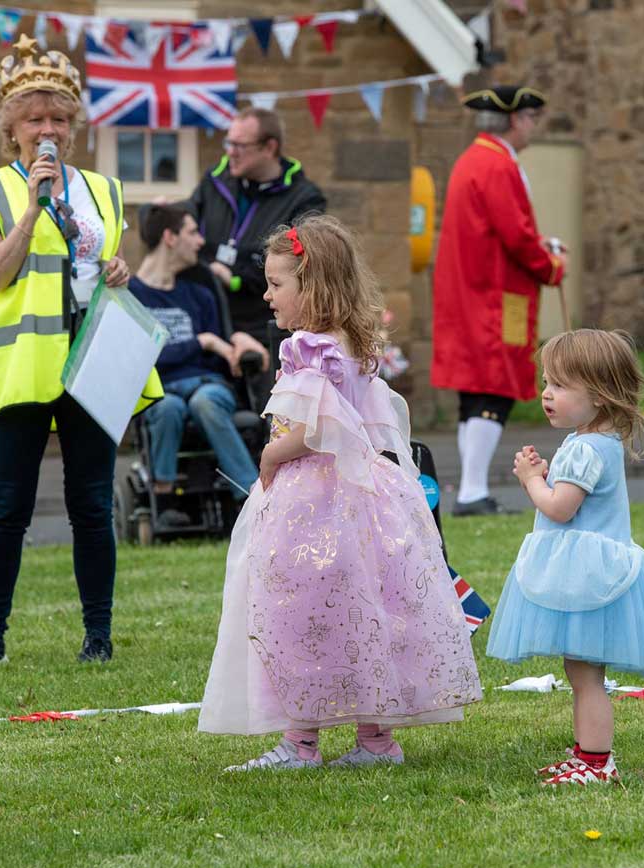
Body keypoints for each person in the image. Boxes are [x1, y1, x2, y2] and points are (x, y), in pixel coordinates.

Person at [199, 214, 482, 769]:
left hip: (315, 501)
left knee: (298, 613)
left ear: (314, 287)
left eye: (277, 283)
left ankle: (301, 743)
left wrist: (272, 453)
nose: (266, 293)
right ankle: (375, 740)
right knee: (361, 610)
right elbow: (371, 417)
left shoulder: (308, 349)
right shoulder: (350, 343)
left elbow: (314, 429)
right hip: (363, 496)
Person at [0, 36, 163, 667]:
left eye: (59, 119)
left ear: (73, 129)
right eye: (35, 119)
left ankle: (97, 636)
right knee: (7, 507)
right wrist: (30, 211)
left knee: (92, 505)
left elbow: (99, 264)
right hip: (21, 365)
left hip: (92, 358)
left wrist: (118, 268)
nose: (48, 129)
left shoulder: (104, 190)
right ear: (12, 128)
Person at [482, 329, 644, 786]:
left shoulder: (585, 447)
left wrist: (531, 480)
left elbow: (559, 508)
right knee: (581, 669)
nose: (547, 394)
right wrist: (549, 475)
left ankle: (596, 762)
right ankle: (585, 754)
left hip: (586, 576)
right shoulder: (597, 441)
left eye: (562, 386)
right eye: (547, 382)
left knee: (586, 675)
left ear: (601, 394)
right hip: (590, 572)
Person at [431, 85, 569, 517]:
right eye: (529, 118)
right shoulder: (496, 165)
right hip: (495, 297)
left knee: (475, 393)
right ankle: (472, 492)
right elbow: (516, 237)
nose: (532, 126)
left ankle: (471, 489)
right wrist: (551, 265)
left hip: (474, 292)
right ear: (513, 119)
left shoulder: (475, 159)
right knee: (493, 390)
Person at [129, 203, 261, 517]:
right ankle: (165, 504)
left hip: (207, 385)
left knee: (205, 402)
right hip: (161, 390)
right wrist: (201, 342)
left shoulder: (199, 295)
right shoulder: (132, 297)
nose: (201, 242)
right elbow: (140, 360)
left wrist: (223, 345)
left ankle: (251, 498)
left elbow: (218, 363)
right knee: (167, 407)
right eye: (192, 232)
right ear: (169, 238)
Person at [185, 108, 327, 392]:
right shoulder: (214, 181)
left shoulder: (305, 198)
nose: (230, 152)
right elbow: (189, 229)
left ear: (269, 147)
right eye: (229, 143)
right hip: (214, 324)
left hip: (269, 329)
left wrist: (236, 274)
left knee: (267, 421)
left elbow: (297, 262)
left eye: (240, 145)